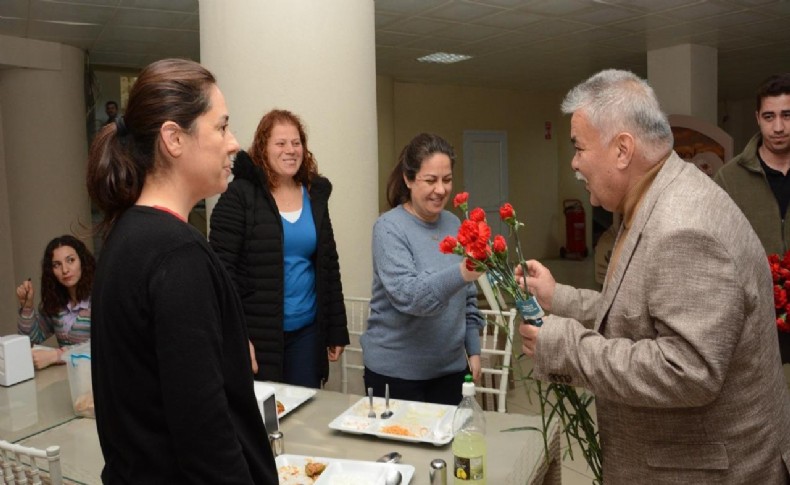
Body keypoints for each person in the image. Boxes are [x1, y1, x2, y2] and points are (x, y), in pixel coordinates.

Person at [518, 69, 790, 484]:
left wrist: (566, 347)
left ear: (623, 150)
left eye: (579, 148)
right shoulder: (653, 198)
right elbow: (640, 315)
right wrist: (560, 299)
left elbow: (688, 370)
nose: (574, 163)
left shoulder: (684, 227)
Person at [86, 58, 277, 484]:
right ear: (174, 138)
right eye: (222, 127)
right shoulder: (177, 254)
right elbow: (205, 436)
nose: (234, 143)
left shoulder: (128, 234)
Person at [209, 109, 348, 388]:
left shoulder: (314, 194)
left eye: (296, 143)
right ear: (263, 147)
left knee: (304, 414)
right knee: (265, 419)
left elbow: (328, 266)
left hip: (307, 332)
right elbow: (222, 273)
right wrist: (235, 335)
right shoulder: (240, 196)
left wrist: (336, 330)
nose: (290, 150)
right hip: (257, 334)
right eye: (281, 143)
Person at [360, 133, 484, 406]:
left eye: (447, 179)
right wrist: (462, 272)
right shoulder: (389, 228)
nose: (441, 189)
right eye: (431, 180)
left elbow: (468, 299)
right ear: (408, 178)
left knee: (451, 447)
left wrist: (472, 349)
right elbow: (409, 296)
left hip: (450, 371)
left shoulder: (454, 224)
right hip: (395, 374)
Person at [714, 73, 790, 363]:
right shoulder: (729, 178)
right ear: (758, 118)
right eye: (770, 117)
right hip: (754, 325)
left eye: (787, 115)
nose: (779, 127)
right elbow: (715, 247)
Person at [16, 235, 94, 369]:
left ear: (82, 261)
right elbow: (31, 339)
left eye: (71, 260)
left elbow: (106, 346)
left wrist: (56, 355)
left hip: (98, 380)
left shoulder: (100, 298)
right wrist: (27, 306)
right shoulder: (57, 304)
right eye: (57, 265)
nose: (65, 270)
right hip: (67, 380)